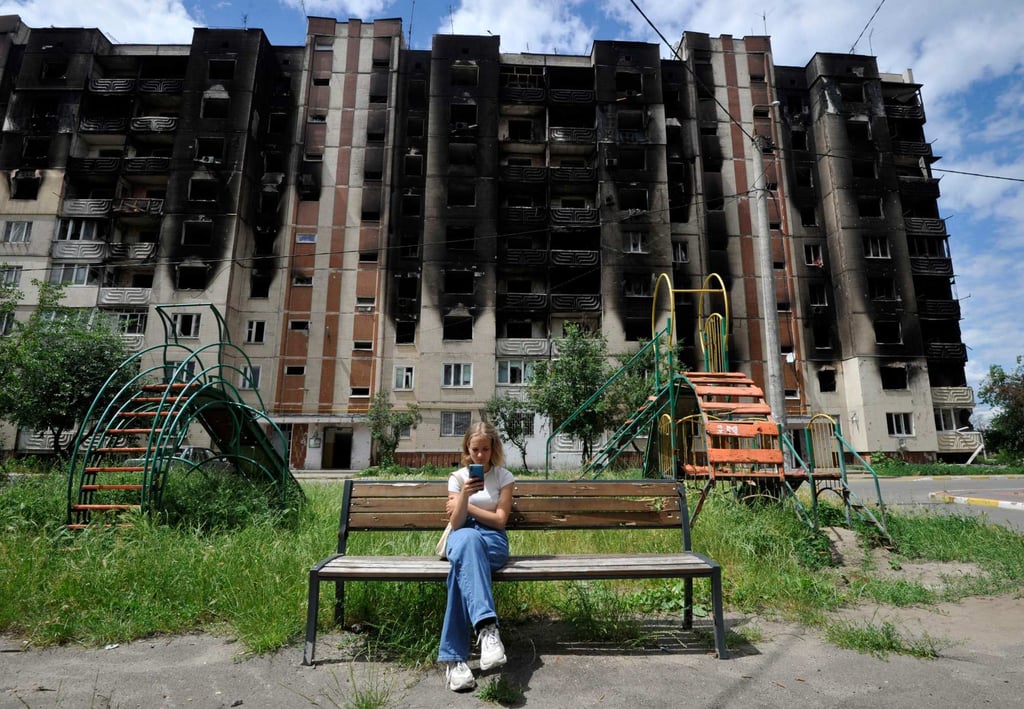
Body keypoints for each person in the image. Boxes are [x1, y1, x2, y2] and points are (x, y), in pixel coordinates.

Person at [439, 421, 516, 692]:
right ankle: (487, 630)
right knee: (468, 542)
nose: (480, 455)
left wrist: (468, 507)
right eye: (475, 449)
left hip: (493, 542)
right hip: (462, 537)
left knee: (460, 570)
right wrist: (464, 496)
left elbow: (499, 521)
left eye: (485, 448)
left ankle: (454, 660)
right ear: (467, 449)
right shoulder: (457, 478)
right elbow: (457, 524)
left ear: (493, 448)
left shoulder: (504, 477)